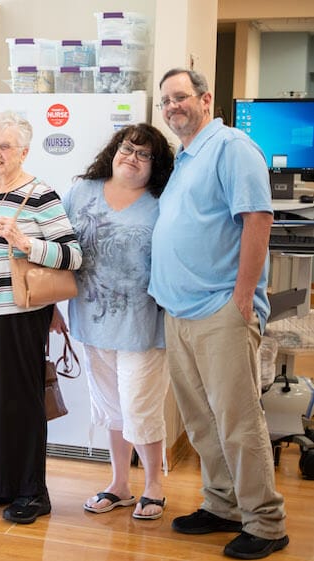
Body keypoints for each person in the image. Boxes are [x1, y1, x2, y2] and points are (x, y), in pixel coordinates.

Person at [149, 68, 288, 559]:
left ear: (205, 100)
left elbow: (258, 218)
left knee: (237, 419)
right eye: (165, 101)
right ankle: (223, 504)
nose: (172, 107)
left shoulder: (231, 147)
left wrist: (243, 297)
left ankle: (266, 522)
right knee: (202, 420)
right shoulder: (187, 158)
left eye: (181, 97)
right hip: (180, 311)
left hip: (220, 309)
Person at [0, 111, 81, 523]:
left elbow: (73, 255)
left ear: (24, 151)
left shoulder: (41, 194)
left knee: (21, 403)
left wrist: (25, 242)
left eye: (4, 146)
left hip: (21, 313)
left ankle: (31, 492)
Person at [53, 123, 173, 520]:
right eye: (127, 148)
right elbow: (59, 249)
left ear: (155, 166)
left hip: (144, 323)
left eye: (143, 155)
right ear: (114, 150)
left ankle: (154, 484)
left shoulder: (163, 201)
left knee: (140, 404)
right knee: (109, 405)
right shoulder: (82, 191)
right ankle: (119, 484)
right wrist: (52, 304)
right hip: (90, 318)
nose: (132, 158)